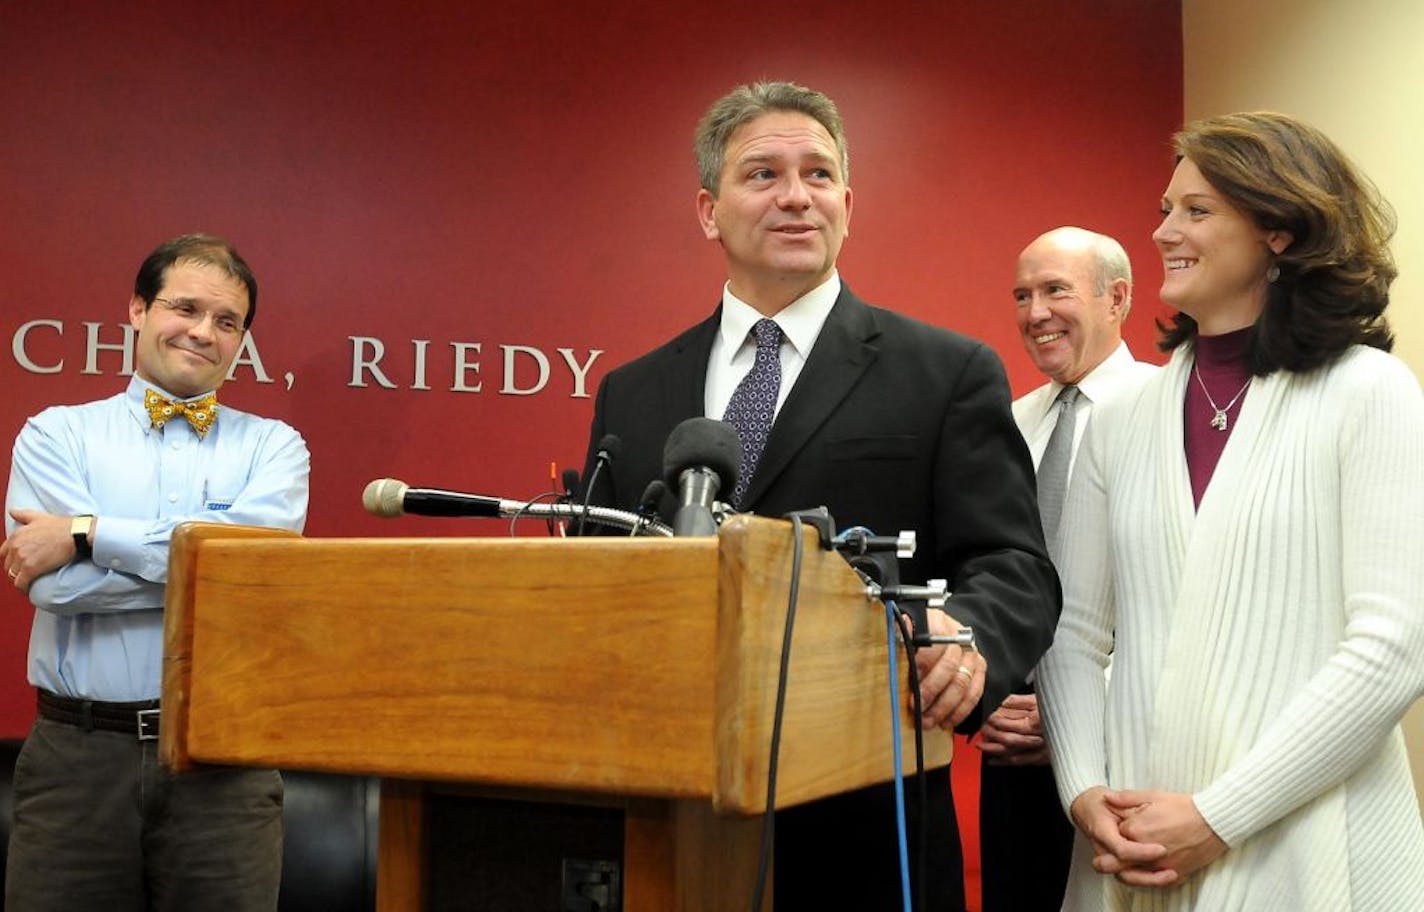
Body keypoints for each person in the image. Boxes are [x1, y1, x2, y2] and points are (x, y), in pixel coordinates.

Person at [580, 80, 1060, 910]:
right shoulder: (635, 391)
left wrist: (968, 638)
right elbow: (596, 587)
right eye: (763, 174)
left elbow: (1014, 563)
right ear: (709, 209)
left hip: (869, 829)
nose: (796, 196)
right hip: (672, 819)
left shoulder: (945, 373)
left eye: (819, 174)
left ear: (848, 203)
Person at [1038, 112, 1424, 910]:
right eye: (1164, 210)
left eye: (1197, 211)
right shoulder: (1122, 420)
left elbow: (1395, 646)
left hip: (1307, 840)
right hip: (1131, 842)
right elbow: (1073, 629)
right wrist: (1085, 792)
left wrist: (1218, 815)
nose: (1163, 233)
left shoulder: (1369, 393)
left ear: (1279, 229)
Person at [1, 234, 311, 911]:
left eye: (227, 322)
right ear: (138, 309)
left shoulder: (275, 448)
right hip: (79, 763)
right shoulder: (56, 435)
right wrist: (210, 570)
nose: (204, 332)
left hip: (225, 765)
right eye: (186, 308)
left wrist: (88, 534)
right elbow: (54, 589)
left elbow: (257, 574)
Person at [979, 226, 1157, 910]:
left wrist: (1083, 712)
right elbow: (991, 572)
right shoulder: (1010, 423)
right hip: (1013, 748)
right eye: (1023, 295)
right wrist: (988, 698)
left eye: (1056, 290)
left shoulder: (1166, 412)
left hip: (1126, 747)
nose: (1034, 313)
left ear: (1117, 299)